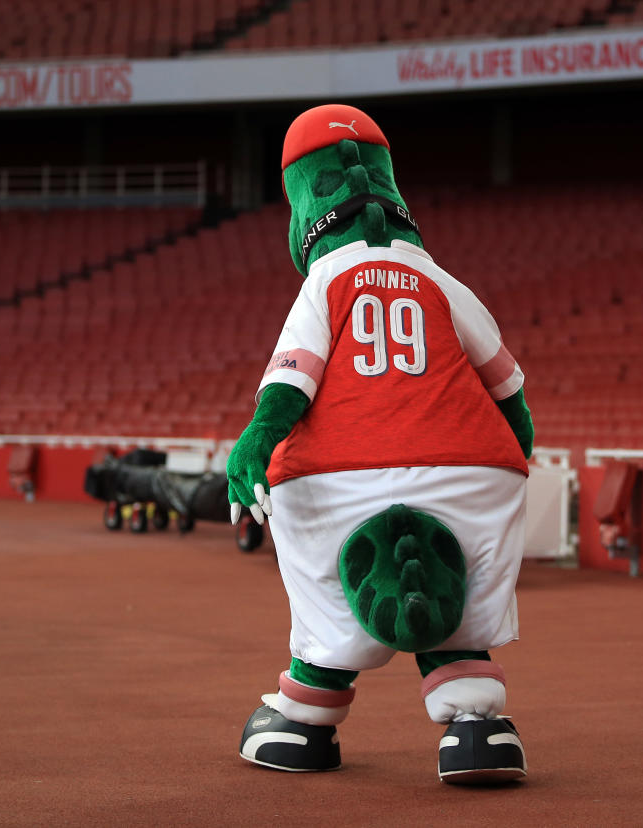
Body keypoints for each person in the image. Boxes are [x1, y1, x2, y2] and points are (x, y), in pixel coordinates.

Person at [226, 103, 534, 784]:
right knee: (468, 592)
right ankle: (478, 725)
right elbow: (508, 387)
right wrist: (515, 450)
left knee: (321, 572)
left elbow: (289, 388)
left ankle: (305, 719)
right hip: (468, 466)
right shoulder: (442, 281)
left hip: (339, 476)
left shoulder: (324, 282)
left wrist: (254, 445)